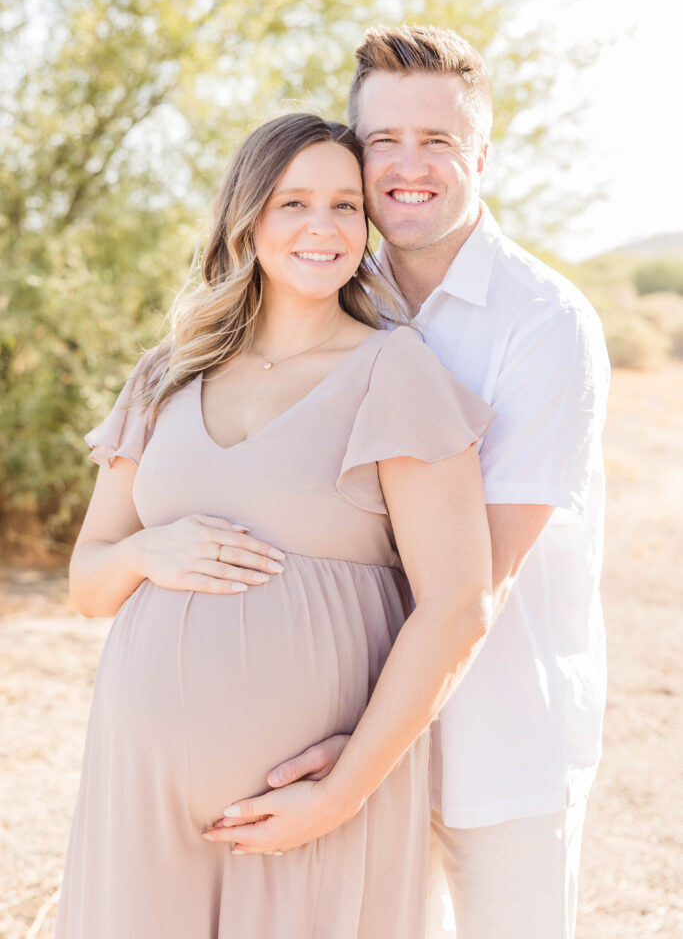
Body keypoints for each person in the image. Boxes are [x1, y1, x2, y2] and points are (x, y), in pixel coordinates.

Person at [55, 112, 496, 939]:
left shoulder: (394, 371)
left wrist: (343, 791)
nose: (322, 228)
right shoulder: (166, 373)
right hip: (140, 785)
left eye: (342, 205)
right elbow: (88, 583)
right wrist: (150, 550)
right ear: (246, 215)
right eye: (293, 203)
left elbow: (458, 604)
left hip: (309, 800)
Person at [216, 27, 610, 939]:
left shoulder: (543, 324)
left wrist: (354, 761)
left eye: (436, 140)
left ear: (480, 153)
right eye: (382, 141)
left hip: (500, 743)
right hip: (338, 719)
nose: (407, 165)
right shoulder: (334, 296)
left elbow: (477, 586)